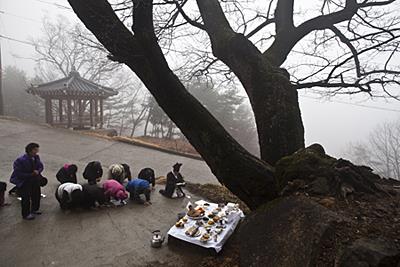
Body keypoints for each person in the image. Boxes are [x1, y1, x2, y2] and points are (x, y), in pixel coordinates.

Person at [10, 143, 46, 220]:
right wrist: (31, 174)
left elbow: (41, 166)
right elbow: (18, 173)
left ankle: (34, 209)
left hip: (34, 180)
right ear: (30, 150)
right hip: (25, 181)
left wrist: (38, 171)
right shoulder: (20, 160)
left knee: (36, 195)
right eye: (35, 150)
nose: (37, 151)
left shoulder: (36, 157)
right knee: (26, 198)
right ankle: (26, 214)